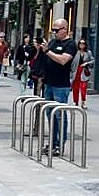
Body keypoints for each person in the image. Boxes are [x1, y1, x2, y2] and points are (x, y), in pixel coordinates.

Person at [33, 19, 75, 153]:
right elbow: (45, 57)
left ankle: (59, 144)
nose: (54, 33)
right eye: (53, 30)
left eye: (57, 30)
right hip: (49, 83)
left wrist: (48, 51)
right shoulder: (53, 42)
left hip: (61, 85)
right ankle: (52, 142)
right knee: (49, 113)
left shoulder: (70, 44)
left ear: (65, 29)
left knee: (59, 115)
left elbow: (63, 60)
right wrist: (39, 49)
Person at [71, 38, 94, 107]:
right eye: (80, 43)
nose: (82, 45)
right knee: (75, 88)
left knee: (83, 88)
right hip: (76, 71)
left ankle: (83, 102)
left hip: (84, 72)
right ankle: (76, 102)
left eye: (83, 43)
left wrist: (86, 63)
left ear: (85, 45)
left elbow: (93, 61)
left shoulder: (88, 52)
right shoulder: (75, 52)